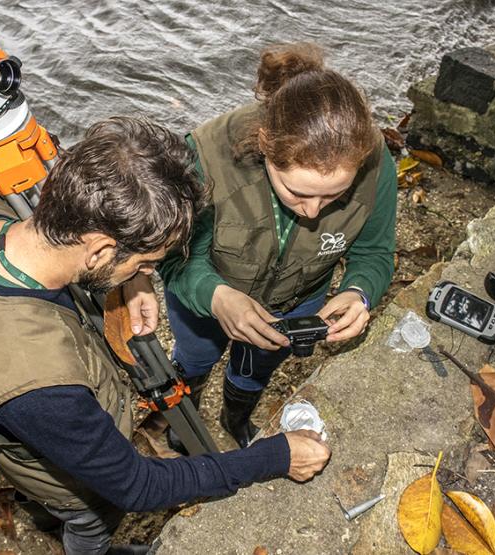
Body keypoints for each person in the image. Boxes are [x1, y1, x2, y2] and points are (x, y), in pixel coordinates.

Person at [0, 117, 332, 555]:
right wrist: (276, 456)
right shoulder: (38, 385)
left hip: (6, 406)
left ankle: (45, 513)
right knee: (87, 518)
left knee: (44, 469)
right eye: (145, 264)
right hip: (67, 480)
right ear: (99, 249)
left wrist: (125, 281)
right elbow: (137, 486)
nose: (150, 274)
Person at [160, 43, 397, 449]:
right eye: (297, 191)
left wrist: (359, 292)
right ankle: (182, 425)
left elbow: (374, 251)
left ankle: (235, 420)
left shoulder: (375, 163)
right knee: (195, 358)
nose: (311, 212)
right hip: (206, 294)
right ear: (265, 144)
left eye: (334, 197)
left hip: (298, 300)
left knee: (256, 367)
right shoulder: (202, 157)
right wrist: (215, 298)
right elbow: (172, 255)